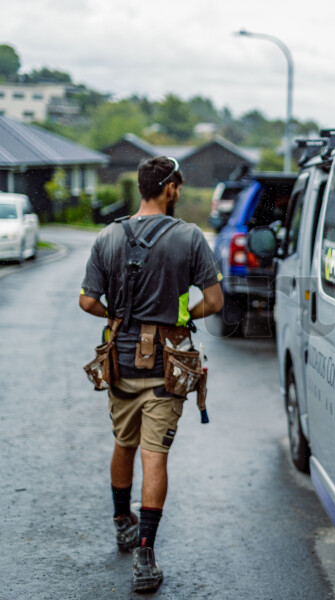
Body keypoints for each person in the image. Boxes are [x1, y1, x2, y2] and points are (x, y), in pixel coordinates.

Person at [78, 156, 223, 592]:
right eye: (176, 185)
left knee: (123, 442)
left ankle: (123, 520)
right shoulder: (189, 237)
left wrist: (117, 318)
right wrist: (184, 317)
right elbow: (214, 301)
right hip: (166, 367)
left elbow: (87, 302)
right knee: (154, 454)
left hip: (119, 364)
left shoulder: (107, 236)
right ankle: (145, 554)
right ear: (170, 189)